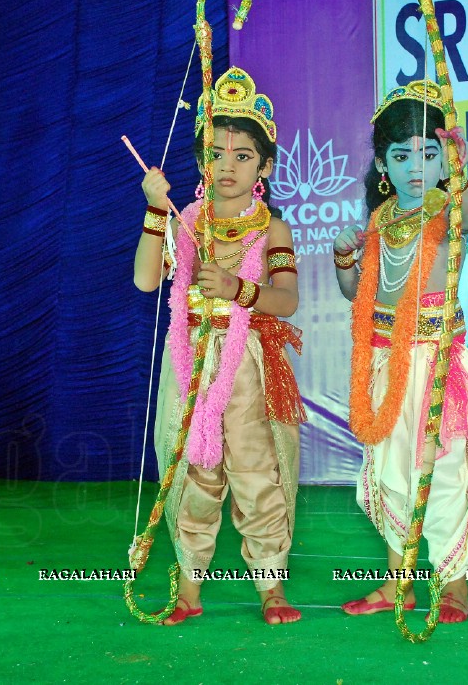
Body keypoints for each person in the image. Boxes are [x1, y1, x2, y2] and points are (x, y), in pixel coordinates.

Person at [133, 67, 306, 622]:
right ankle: (188, 591)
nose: (226, 167)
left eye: (243, 156)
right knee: (195, 475)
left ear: (266, 167)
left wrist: (237, 289)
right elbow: (143, 281)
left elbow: (286, 301)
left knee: (257, 476)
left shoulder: (270, 229)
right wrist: (156, 211)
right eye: (216, 154)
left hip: (247, 369)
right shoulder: (186, 222)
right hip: (191, 365)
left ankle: (271, 589)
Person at [332, 80, 468, 622]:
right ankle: (397, 582)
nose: (415, 167)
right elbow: (358, 298)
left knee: (439, 474)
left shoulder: (447, 209)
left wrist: (462, 166)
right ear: (382, 163)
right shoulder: (380, 221)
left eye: (428, 153)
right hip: (381, 360)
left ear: (445, 161)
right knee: (388, 473)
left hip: (435, 362)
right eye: (401, 155)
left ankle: (455, 585)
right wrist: (344, 259)